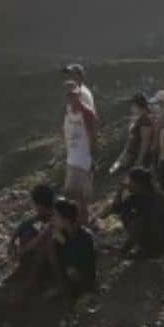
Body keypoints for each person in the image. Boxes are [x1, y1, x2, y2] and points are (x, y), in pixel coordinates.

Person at [101, 167, 164, 257]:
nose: (128, 184)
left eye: (130, 181)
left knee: (129, 216)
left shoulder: (147, 200)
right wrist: (119, 192)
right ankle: (145, 248)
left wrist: (123, 250)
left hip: (159, 246)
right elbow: (116, 209)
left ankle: (147, 250)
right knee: (127, 214)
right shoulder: (145, 196)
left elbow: (140, 226)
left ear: (138, 183)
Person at [62, 81, 97, 225]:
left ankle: (84, 225)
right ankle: (74, 224)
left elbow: (93, 136)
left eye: (74, 94)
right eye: (68, 95)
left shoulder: (87, 113)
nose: (71, 98)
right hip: (71, 159)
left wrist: (92, 157)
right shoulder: (68, 111)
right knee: (70, 196)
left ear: (79, 95)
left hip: (83, 161)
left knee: (82, 199)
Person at [8, 185, 57, 284]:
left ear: (40, 206)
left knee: (40, 245)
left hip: (57, 256)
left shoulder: (56, 218)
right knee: (27, 229)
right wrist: (13, 239)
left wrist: (20, 252)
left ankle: (33, 280)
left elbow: (38, 240)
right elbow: (28, 222)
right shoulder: (46, 212)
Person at [49, 199, 96, 298]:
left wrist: (65, 243)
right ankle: (62, 286)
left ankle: (82, 292)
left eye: (55, 216)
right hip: (68, 272)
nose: (52, 219)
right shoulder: (62, 232)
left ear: (65, 220)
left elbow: (80, 261)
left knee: (72, 271)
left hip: (83, 275)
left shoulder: (85, 236)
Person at [111, 93, 155, 173]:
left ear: (139, 106)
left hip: (134, 158)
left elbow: (145, 143)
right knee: (112, 172)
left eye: (133, 105)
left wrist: (138, 163)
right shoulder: (139, 118)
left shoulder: (145, 120)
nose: (131, 107)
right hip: (128, 156)